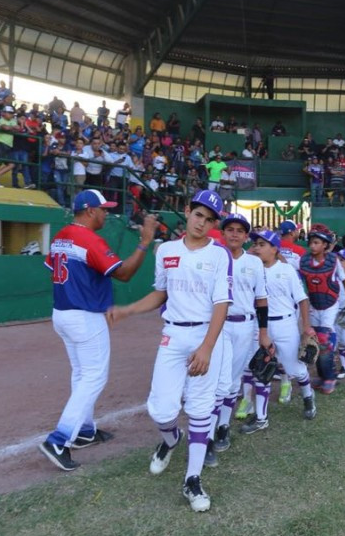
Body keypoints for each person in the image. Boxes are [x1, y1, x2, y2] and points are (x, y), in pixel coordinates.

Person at [106, 190, 231, 512]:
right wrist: (128, 310)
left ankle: (193, 480)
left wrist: (206, 347)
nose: (202, 223)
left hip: (205, 334)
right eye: (198, 215)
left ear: (214, 223)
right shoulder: (166, 251)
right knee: (161, 410)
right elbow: (160, 294)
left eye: (209, 219)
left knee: (201, 410)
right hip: (173, 335)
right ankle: (172, 440)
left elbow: (221, 304)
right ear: (187, 212)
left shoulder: (219, 255)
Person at [37, 190, 155, 472]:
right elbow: (123, 273)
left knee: (81, 373)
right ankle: (59, 439)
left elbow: (54, 267)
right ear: (89, 211)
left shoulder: (61, 235)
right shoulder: (88, 238)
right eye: (103, 209)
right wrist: (145, 243)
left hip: (62, 313)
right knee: (94, 377)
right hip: (85, 316)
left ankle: (85, 430)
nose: (106, 214)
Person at [236, 229, 318, 432]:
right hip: (260, 325)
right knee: (261, 369)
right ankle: (261, 418)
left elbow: (302, 300)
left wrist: (306, 327)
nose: (256, 248)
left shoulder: (287, 270)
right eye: (255, 244)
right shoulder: (252, 269)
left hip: (285, 324)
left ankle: (308, 397)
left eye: (262, 244)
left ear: (275, 249)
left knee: (294, 369)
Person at [205, 213, 270, 464]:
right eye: (229, 229)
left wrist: (263, 332)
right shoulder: (213, 257)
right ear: (223, 233)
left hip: (244, 326)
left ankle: (222, 426)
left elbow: (261, 300)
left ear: (246, 236)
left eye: (240, 230)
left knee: (232, 382)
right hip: (217, 326)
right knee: (214, 383)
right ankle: (207, 436)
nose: (234, 233)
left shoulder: (254, 263)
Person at [298, 225, 345, 393]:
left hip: (330, 304)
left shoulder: (333, 260)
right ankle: (322, 376)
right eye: (311, 242)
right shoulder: (304, 261)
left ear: (325, 245)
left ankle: (330, 378)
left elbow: (344, 279)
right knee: (315, 341)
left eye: (317, 242)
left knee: (325, 340)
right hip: (313, 304)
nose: (313, 246)